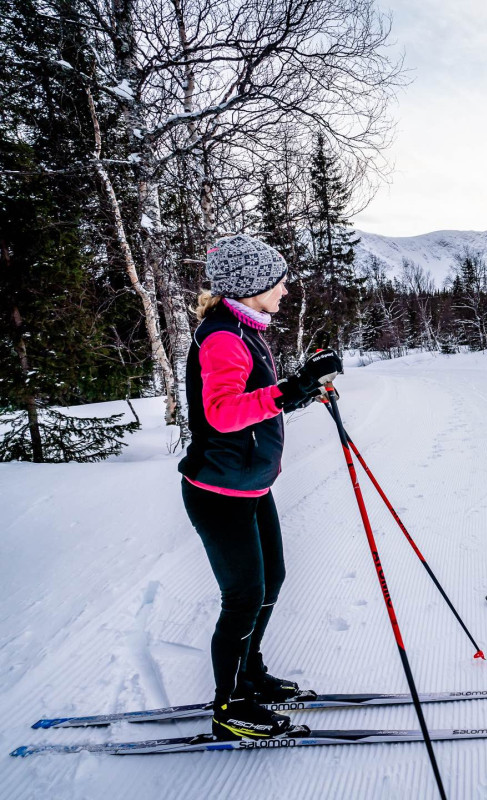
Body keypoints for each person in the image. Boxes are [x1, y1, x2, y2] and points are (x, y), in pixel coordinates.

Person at [178, 233, 342, 740]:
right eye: (279, 281)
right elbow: (223, 414)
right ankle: (229, 708)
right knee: (245, 595)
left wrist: (304, 390)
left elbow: (259, 399)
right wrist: (291, 389)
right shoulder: (224, 336)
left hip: (250, 484)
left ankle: (249, 676)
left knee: (272, 580)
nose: (286, 290)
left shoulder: (247, 329)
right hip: (218, 491)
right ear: (251, 285)